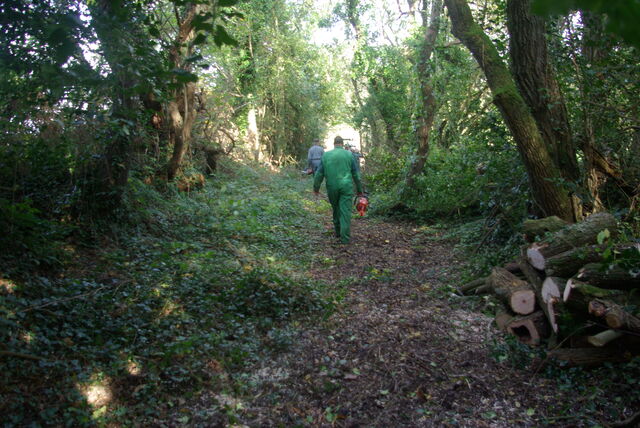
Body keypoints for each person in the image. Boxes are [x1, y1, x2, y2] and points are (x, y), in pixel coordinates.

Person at [313, 136, 364, 244]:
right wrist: (359, 190)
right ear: (342, 144)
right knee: (345, 211)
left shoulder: (326, 155)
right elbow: (356, 174)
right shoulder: (349, 155)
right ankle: (344, 239)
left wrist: (316, 188)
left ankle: (337, 232)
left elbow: (319, 174)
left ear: (334, 144)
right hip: (346, 187)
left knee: (335, 209)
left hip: (332, 187)